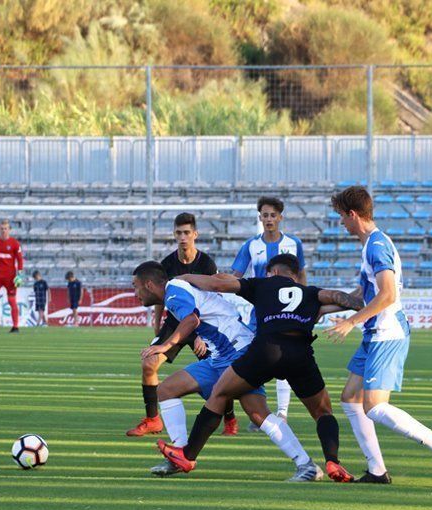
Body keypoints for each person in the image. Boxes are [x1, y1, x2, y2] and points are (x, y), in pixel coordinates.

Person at [157, 254, 364, 482]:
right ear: (295, 276)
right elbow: (339, 299)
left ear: (273, 272)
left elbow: (218, 283)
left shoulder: (262, 284)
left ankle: (187, 454)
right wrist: (359, 299)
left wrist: (184, 276)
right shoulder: (310, 293)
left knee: (221, 394)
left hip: (266, 351)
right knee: (322, 412)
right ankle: (333, 461)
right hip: (300, 354)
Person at [133, 261, 323, 481]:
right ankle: (180, 455)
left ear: (148, 284)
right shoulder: (177, 288)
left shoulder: (174, 292)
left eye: (135, 286)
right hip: (221, 356)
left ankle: (306, 465)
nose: (134, 292)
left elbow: (191, 320)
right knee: (167, 390)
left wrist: (165, 345)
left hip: (236, 350)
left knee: (256, 412)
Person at [324, 185, 432, 486]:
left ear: (353, 214)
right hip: (374, 333)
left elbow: (385, 295)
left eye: (341, 217)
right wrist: (334, 309)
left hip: (387, 333)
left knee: (375, 406)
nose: (341, 223)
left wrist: (352, 322)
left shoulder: (376, 246)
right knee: (350, 399)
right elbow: (366, 293)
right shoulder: (372, 243)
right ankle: (377, 470)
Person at [126, 213, 239, 437]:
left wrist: (199, 334)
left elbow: (212, 299)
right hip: (176, 322)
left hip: (201, 324)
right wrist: (157, 326)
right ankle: (152, 420)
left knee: (217, 372)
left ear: (195, 234)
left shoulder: (206, 263)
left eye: (187, 232)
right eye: (179, 233)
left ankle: (230, 418)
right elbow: (160, 295)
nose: (183, 237)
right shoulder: (167, 263)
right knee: (149, 363)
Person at [231, 196, 305, 428]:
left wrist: (304, 301)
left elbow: (301, 275)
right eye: (265, 215)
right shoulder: (251, 245)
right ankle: (260, 411)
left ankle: (282, 412)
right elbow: (236, 276)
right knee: (255, 358)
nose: (269, 219)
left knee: (283, 358)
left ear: (280, 217)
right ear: (260, 217)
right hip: (261, 310)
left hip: (287, 310)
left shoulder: (294, 244)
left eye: (273, 215)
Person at [0, 219, 23, 333]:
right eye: (1, 229)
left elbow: (20, 260)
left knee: (12, 301)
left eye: (5, 229)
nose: (3, 231)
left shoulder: (15, 243)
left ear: (9, 230)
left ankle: (15, 326)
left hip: (10, 277)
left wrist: (19, 274)